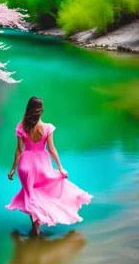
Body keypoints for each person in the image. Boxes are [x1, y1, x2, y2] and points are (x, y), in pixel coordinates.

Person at [6, 96, 93, 235]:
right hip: (42, 164)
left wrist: (12, 169)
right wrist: (60, 168)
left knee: (30, 197)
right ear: (41, 111)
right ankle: (42, 223)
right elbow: (52, 149)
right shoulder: (47, 128)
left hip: (25, 165)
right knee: (43, 192)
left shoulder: (21, 126)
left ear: (28, 110)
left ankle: (36, 229)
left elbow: (19, 150)